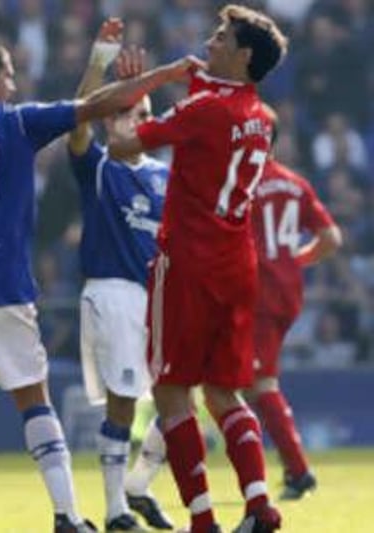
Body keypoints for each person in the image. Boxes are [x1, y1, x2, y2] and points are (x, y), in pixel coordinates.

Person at [0, 24, 201, 532]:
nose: (14, 84)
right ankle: (67, 515)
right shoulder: (18, 122)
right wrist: (162, 75)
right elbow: (92, 108)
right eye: (8, 75)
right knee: (33, 401)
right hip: (2, 287)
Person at [108, 5, 289, 532]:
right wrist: (183, 78)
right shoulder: (258, 115)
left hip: (188, 262)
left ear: (244, 54)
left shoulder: (208, 109)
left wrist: (127, 101)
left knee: (170, 390)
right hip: (237, 264)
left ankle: (202, 520)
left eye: (220, 36)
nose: (210, 42)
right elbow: (207, 101)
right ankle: (260, 506)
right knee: (223, 393)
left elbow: (122, 148)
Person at [67, 20, 172, 533]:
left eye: (145, 114)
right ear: (111, 121)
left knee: (182, 396)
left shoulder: (165, 175)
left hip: (162, 298)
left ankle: (139, 483)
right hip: (115, 294)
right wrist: (99, 64)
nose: (138, 121)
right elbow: (78, 120)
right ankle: (115, 510)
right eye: (128, 113)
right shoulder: (100, 166)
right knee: (125, 402)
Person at [247, 107, 341, 500]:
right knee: (244, 382)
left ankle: (299, 472)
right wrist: (295, 259)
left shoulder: (242, 187)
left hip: (260, 294)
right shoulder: (295, 183)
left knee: (258, 383)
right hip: (288, 291)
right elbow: (332, 238)